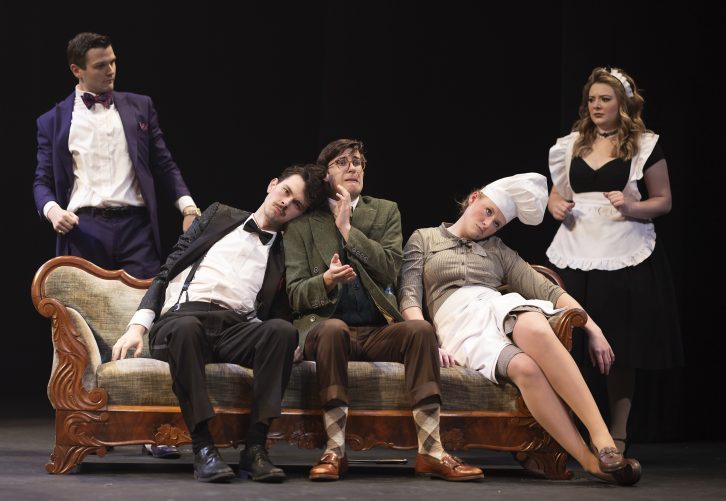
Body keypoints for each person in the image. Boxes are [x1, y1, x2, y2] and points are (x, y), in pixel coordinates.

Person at [398, 172, 641, 486]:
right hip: (458, 323)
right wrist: (427, 339)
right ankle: (588, 461)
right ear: (474, 198)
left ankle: (603, 442)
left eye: (497, 223)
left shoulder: (498, 250)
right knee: (526, 368)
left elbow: (548, 290)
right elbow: (409, 295)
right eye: (487, 212)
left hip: (495, 306)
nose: (488, 224)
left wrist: (593, 328)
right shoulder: (425, 238)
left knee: (535, 326)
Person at [111, 164, 327, 483]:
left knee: (282, 332)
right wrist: (137, 326)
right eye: (286, 191)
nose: (286, 203)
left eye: (297, 204)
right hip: (182, 319)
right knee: (186, 329)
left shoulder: (284, 253)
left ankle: (255, 449)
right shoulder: (218, 215)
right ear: (272, 185)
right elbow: (167, 270)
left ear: (299, 214)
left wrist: (292, 344)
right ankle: (203, 448)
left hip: (235, 329)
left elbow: (281, 310)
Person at [283, 139, 483, 482]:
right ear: (325, 174)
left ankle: (432, 450)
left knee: (420, 330)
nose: (353, 167)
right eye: (342, 162)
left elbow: (391, 270)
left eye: (358, 162)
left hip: (377, 330)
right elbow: (295, 295)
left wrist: (347, 229)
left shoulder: (386, 211)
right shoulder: (303, 223)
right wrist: (327, 281)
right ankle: (335, 450)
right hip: (327, 329)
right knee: (332, 329)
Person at [545, 67, 684, 454]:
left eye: (605, 99)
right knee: (566, 344)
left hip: (623, 251)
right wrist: (554, 205)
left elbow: (664, 201)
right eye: (592, 99)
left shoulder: (643, 144)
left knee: (620, 347)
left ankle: (617, 434)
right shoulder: (571, 144)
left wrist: (633, 206)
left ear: (622, 103)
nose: (596, 106)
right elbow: (557, 193)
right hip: (576, 249)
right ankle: (568, 433)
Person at [33, 32, 200, 284]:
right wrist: (53, 210)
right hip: (85, 229)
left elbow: (164, 163)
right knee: (86, 306)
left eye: (112, 62)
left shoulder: (140, 107)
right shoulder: (52, 121)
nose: (110, 70)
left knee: (146, 302)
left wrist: (188, 208)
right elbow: (42, 181)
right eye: (100, 66)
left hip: (136, 229)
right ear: (77, 70)